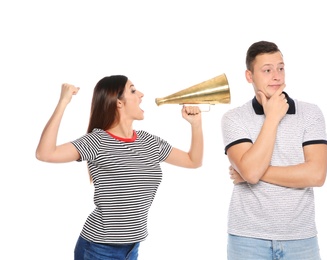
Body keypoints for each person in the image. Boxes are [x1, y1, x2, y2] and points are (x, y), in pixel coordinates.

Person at [35, 75, 203, 260]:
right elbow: (45, 153)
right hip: (98, 249)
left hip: (132, 247)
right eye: (132, 90)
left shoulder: (149, 142)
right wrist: (63, 102)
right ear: (118, 103)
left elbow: (192, 161)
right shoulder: (97, 141)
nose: (141, 94)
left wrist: (196, 125)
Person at [221, 41, 327, 260]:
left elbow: (316, 175)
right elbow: (251, 172)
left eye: (280, 68)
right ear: (249, 76)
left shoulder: (310, 113)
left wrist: (253, 174)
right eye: (267, 70)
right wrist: (272, 118)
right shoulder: (234, 118)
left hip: (301, 238)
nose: (277, 76)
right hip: (247, 239)